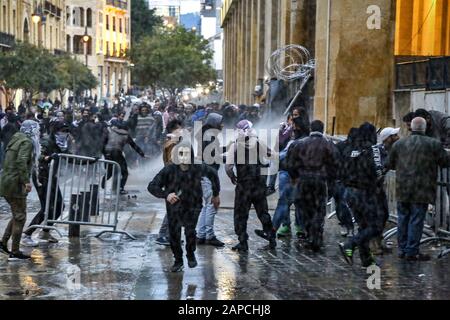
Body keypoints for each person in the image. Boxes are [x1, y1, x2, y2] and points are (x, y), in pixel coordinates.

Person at [148, 142, 221, 272]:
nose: (183, 157)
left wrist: (215, 195)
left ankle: (190, 253)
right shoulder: (169, 170)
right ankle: (178, 260)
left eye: (186, 153)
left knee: (190, 231)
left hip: (193, 205)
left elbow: (214, 175)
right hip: (174, 207)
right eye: (181, 153)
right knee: (174, 234)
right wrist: (166, 195)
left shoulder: (198, 167)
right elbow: (152, 186)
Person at [387, 117, 450, 261]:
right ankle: (412, 250)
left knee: (403, 219)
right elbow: (444, 162)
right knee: (416, 219)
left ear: (411, 128)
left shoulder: (399, 144)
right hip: (422, 188)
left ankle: (403, 249)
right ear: (425, 127)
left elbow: (389, 163)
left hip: (403, 187)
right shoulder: (433, 144)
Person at [286, 120, 337, 252]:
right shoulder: (328, 145)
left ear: (310, 129)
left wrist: (295, 177)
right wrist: (330, 180)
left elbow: (290, 162)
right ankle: (316, 235)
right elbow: (334, 165)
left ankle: (310, 233)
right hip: (319, 181)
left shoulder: (299, 144)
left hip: (304, 180)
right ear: (322, 129)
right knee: (319, 208)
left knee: (305, 207)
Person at [225, 120, 277, 251]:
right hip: (259, 185)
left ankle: (243, 242)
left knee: (240, 214)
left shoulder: (235, 145)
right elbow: (272, 155)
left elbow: (228, 167)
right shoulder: (259, 142)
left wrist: (232, 177)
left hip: (244, 185)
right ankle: (271, 236)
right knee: (263, 212)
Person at [339, 123, 383, 267]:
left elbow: (341, 168)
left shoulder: (350, 148)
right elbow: (378, 171)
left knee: (363, 225)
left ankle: (366, 259)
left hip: (349, 191)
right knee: (375, 226)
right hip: (365, 191)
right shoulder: (373, 149)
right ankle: (350, 244)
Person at [22, 121, 73, 246]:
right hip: (41, 176)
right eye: (62, 131)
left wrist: (92, 161)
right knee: (46, 208)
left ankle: (45, 232)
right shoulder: (47, 141)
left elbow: (69, 157)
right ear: (55, 131)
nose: (65, 134)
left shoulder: (60, 144)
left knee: (59, 206)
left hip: (51, 176)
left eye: (67, 131)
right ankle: (27, 234)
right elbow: (38, 156)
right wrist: (47, 158)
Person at [0, 120, 38, 261]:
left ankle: (3, 243)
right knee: (21, 217)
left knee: (17, 214)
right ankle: (15, 252)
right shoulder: (26, 142)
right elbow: (21, 162)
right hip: (15, 183)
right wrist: (26, 182)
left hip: (7, 181)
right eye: (36, 129)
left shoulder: (16, 138)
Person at [195, 113, 226, 247]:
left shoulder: (207, 135)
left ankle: (201, 235)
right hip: (208, 175)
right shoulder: (210, 137)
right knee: (212, 205)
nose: (223, 125)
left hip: (203, 175)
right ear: (214, 123)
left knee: (207, 206)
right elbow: (213, 158)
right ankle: (209, 236)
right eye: (220, 122)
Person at [155, 119, 184, 246]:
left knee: (175, 207)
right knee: (173, 207)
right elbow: (173, 161)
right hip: (173, 178)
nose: (181, 131)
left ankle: (170, 235)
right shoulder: (172, 143)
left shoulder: (173, 142)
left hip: (174, 177)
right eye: (178, 129)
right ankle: (163, 235)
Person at [102, 119, 146, 194]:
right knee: (125, 172)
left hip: (107, 152)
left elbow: (103, 143)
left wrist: (104, 153)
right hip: (117, 152)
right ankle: (121, 188)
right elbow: (134, 146)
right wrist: (142, 154)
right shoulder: (126, 135)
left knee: (110, 171)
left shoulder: (111, 132)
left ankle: (103, 183)